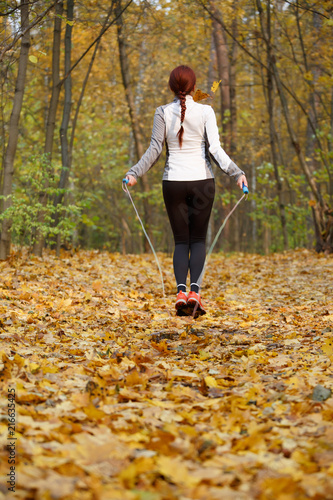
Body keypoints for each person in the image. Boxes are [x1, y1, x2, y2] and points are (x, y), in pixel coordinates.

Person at [125, 65, 248, 317]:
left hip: (174, 183)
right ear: (193, 87)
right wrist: (237, 173)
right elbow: (215, 150)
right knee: (198, 240)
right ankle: (195, 293)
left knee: (181, 241)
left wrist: (133, 172)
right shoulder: (206, 111)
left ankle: (181, 293)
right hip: (202, 182)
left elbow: (154, 150)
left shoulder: (161, 112)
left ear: (172, 87)